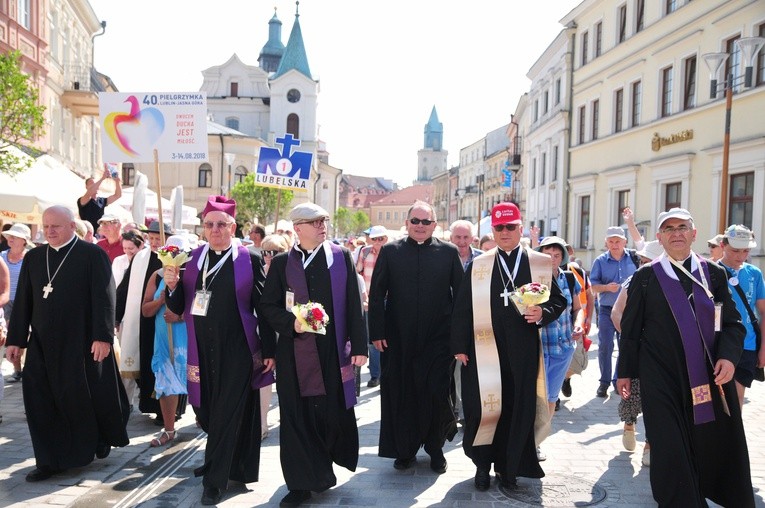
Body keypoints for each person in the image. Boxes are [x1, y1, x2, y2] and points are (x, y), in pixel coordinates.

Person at [616, 208, 753, 507]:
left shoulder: (714, 274)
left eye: (682, 227)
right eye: (669, 228)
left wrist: (729, 358)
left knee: (710, 440)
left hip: (708, 372)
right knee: (668, 443)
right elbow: (630, 329)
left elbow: (731, 324)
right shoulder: (645, 277)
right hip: (660, 376)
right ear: (659, 238)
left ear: (693, 233)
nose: (676, 233)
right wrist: (624, 371)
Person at [5, 205, 129, 482]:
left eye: (56, 226)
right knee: (39, 400)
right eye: (46, 226)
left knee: (76, 399)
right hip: (41, 343)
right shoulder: (35, 257)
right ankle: (48, 461)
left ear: (72, 226)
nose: (49, 231)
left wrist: (102, 337)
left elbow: (104, 298)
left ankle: (81, 449)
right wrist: (15, 340)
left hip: (81, 343)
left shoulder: (92, 255)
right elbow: (24, 300)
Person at [164, 195, 274, 506]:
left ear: (233, 227)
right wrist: (172, 286)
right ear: (202, 227)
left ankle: (214, 481)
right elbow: (177, 307)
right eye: (209, 224)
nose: (214, 229)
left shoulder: (248, 259)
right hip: (200, 349)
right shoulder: (191, 258)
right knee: (207, 412)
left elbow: (262, 307)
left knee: (227, 412)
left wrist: (268, 348)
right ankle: (226, 461)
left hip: (237, 349)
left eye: (221, 224)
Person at [451, 202, 566, 491]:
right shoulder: (479, 263)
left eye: (510, 226)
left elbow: (558, 301)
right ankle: (481, 465)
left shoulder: (539, 262)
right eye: (499, 227)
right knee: (483, 409)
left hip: (523, 350)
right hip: (483, 348)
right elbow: (462, 307)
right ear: (493, 230)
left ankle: (509, 467)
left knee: (517, 408)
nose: (505, 232)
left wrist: (543, 313)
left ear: (520, 227)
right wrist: (460, 345)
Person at [260, 203, 367, 507]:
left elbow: (353, 304)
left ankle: (324, 466)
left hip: (332, 352)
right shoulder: (282, 264)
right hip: (294, 353)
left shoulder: (340, 256)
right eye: (315, 222)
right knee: (296, 417)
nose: (323, 226)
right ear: (298, 229)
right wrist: (291, 323)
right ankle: (300, 484)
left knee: (329, 414)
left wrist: (359, 346)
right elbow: (267, 307)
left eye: (324, 221)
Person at [368, 200, 464, 475]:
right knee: (403, 392)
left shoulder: (448, 252)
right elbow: (377, 294)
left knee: (436, 393)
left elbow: (460, 297)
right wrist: (377, 332)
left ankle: (435, 449)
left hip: (439, 339)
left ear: (434, 225)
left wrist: (458, 338)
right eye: (415, 221)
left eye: (426, 222)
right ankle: (405, 450)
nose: (420, 226)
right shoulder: (390, 251)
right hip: (399, 338)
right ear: (407, 223)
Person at [610, 239, 664, 467]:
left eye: (648, 261)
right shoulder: (633, 281)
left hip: (661, 354)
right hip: (636, 351)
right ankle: (629, 424)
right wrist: (633, 339)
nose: (643, 265)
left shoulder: (671, 283)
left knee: (658, 401)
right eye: (642, 260)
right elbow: (616, 313)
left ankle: (650, 445)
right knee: (632, 393)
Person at [142, 235, 190, 448]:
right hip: (163, 336)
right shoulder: (157, 275)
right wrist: (160, 301)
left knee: (194, 378)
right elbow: (145, 310)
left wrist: (180, 316)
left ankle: (204, 419)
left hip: (187, 336)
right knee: (164, 380)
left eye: (176, 254)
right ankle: (169, 429)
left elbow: (204, 306)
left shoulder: (193, 274)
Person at [117, 220, 168, 421]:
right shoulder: (140, 258)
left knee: (162, 362)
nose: (155, 242)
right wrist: (116, 314)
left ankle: (165, 411)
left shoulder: (172, 258)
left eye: (159, 238)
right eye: (152, 238)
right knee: (146, 363)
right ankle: (149, 404)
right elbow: (125, 287)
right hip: (142, 319)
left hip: (164, 319)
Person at [535, 236, 584, 419]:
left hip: (562, 349)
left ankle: (540, 439)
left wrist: (578, 325)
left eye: (556, 255)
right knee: (536, 398)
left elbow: (578, 309)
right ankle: (531, 442)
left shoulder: (570, 279)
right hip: (539, 349)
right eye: (547, 254)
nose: (552, 259)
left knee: (551, 399)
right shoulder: (532, 280)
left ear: (562, 257)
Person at [718, 224, 765, 408]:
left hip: (747, 345)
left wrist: (762, 349)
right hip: (717, 345)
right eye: (735, 250)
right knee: (716, 402)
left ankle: (733, 437)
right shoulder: (711, 271)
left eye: (746, 250)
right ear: (723, 246)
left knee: (735, 402)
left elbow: (763, 312)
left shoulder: (754, 273)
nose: (741, 256)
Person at [590, 225, 637, 397]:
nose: (615, 244)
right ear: (606, 242)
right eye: (611, 241)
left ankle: (618, 380)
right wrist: (606, 287)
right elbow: (593, 287)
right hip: (606, 310)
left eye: (618, 241)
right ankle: (604, 382)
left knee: (625, 345)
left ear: (625, 241)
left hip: (628, 312)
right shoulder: (600, 261)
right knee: (605, 345)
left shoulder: (634, 258)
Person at [258, 233, 290, 441]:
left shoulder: (293, 272)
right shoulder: (257, 272)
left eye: (275, 252)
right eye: (265, 252)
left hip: (287, 333)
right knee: (263, 380)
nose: (269, 256)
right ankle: (261, 423)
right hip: (264, 333)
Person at [560, 243, 595, 399]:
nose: (558, 257)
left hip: (576, 323)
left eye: (561, 252)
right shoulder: (543, 272)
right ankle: (556, 393)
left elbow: (590, 295)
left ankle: (565, 378)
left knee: (579, 360)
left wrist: (588, 318)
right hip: (554, 325)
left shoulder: (578, 272)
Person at [356, 224, 387, 388]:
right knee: (372, 340)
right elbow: (357, 273)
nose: (378, 242)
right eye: (374, 238)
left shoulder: (392, 252)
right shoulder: (364, 252)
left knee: (389, 339)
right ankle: (375, 375)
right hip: (369, 302)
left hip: (388, 301)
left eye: (381, 238)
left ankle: (386, 374)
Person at [1, 223, 32, 383]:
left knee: (25, 336)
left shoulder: (31, 257)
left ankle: (26, 368)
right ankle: (17, 370)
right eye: (9, 236)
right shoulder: (1, 257)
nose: (10, 239)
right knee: (11, 337)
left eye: (14, 236)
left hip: (25, 303)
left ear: (24, 240)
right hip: (6, 303)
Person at [77, 167, 122, 233]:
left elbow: (117, 195)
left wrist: (117, 182)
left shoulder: (101, 200)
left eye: (96, 184)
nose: (96, 186)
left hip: (99, 233)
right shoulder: (83, 200)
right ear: (86, 187)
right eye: (92, 184)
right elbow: (90, 192)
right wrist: (102, 178)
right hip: (87, 233)